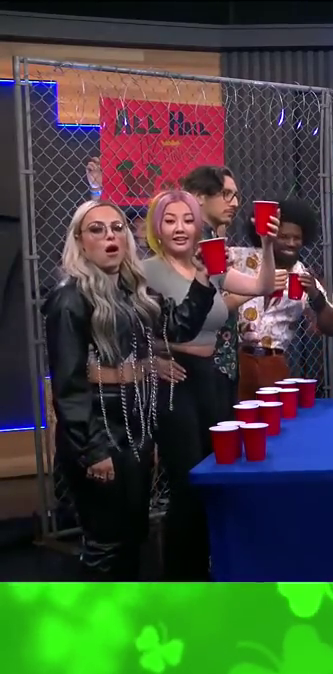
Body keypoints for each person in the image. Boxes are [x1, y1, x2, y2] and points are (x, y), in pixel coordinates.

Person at [44, 200, 219, 580]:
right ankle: (98, 617)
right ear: (80, 240)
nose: (110, 236)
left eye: (117, 228)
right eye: (97, 229)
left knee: (132, 536)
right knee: (106, 544)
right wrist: (93, 450)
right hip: (98, 432)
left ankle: (127, 611)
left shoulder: (133, 292)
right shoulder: (69, 298)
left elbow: (177, 328)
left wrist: (203, 281)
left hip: (135, 433)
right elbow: (69, 385)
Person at [140, 189, 279, 580]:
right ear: (156, 228)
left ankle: (213, 568)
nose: (180, 228)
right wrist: (154, 359)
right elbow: (137, 329)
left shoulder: (210, 266)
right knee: (187, 483)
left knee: (216, 476)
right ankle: (182, 579)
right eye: (170, 220)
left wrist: (267, 244)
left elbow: (263, 285)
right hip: (174, 379)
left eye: (187, 220)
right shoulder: (146, 271)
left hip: (212, 377)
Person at [226, 199, 333, 399]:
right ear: (271, 235)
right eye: (284, 236)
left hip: (274, 363)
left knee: (273, 416)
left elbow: (331, 327)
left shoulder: (302, 276)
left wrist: (316, 296)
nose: (291, 243)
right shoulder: (240, 259)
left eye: (297, 238)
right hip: (235, 360)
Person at [181, 166, 244, 402]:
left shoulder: (212, 239)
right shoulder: (191, 242)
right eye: (226, 194)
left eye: (236, 195)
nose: (235, 203)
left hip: (222, 361)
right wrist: (257, 288)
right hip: (201, 365)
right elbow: (210, 305)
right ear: (199, 197)